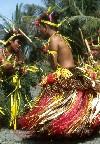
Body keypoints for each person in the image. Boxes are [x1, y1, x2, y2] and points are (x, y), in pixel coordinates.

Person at [18, 11, 100, 138]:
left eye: (40, 29)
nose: (40, 32)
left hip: (65, 73)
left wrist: (48, 55)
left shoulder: (52, 39)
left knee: (56, 101)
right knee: (76, 102)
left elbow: (54, 64)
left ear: (46, 27)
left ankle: (60, 127)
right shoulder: (62, 37)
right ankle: (75, 126)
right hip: (75, 71)